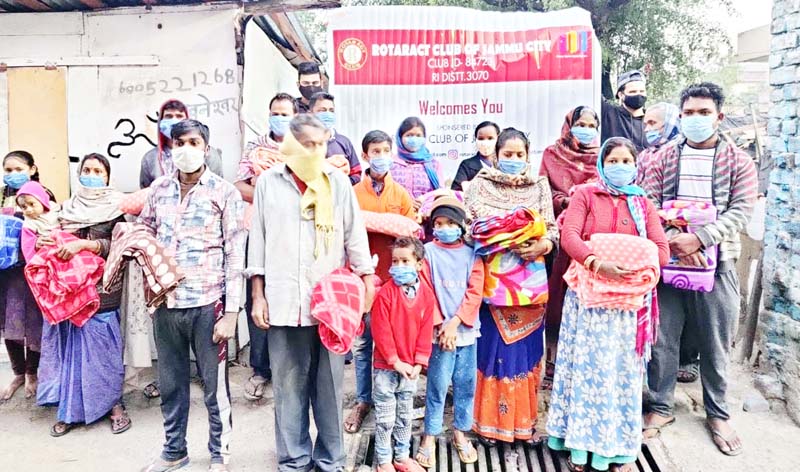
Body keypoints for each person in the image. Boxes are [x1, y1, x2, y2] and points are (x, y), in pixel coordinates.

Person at [247, 114, 375, 472]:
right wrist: (258, 296)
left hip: (331, 303)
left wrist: (366, 281)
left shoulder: (337, 182)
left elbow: (354, 236)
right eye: (307, 144)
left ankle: (331, 461)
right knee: (288, 390)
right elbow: (257, 242)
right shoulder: (268, 184)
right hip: (283, 300)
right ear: (291, 145)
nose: (315, 151)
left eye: (321, 144)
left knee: (330, 389)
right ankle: (293, 461)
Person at [642, 82, 757, 457]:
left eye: (703, 113)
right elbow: (649, 202)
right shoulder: (663, 158)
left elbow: (741, 210)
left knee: (715, 340)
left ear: (719, 117)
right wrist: (677, 238)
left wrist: (702, 239)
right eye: (689, 113)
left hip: (719, 262)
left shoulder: (739, 161)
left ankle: (718, 413)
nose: (695, 119)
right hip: (670, 259)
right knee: (662, 337)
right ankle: (660, 406)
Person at [545, 138, 669, 472]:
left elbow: (661, 247)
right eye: (613, 159)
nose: (620, 165)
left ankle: (613, 448)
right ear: (602, 163)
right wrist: (597, 262)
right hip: (587, 300)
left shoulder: (643, 203)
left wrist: (637, 268)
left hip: (627, 306)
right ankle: (580, 445)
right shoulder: (585, 194)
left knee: (619, 375)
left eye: (627, 159)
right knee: (587, 370)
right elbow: (569, 235)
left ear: (635, 165)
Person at [139, 119, 245, 472]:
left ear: (206, 149)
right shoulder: (157, 190)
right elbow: (146, 235)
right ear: (170, 149)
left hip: (208, 304)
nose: (185, 149)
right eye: (179, 142)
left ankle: (220, 453)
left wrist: (231, 313)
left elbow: (235, 253)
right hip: (167, 305)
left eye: (193, 142)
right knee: (171, 384)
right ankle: (174, 451)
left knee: (215, 388)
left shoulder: (224, 193)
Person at [464, 128, 558, 447]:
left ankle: (523, 424)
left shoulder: (540, 186)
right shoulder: (479, 186)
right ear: (496, 155)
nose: (514, 160)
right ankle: (488, 425)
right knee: (493, 352)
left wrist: (543, 244)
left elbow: (552, 227)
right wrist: (503, 234)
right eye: (508, 155)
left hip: (529, 288)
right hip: (493, 288)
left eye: (520, 155)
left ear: (528, 156)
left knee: (525, 353)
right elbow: (471, 228)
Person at [35, 153, 131, 437]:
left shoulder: (117, 207)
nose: (91, 174)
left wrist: (83, 246)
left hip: (102, 290)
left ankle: (114, 405)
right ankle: (71, 410)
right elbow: (55, 239)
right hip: (68, 290)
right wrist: (48, 240)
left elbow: (118, 244)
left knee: (103, 350)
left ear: (107, 177)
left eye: (98, 170)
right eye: (86, 169)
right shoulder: (67, 208)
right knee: (70, 350)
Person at [344, 130, 416, 434]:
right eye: (375, 150)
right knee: (363, 345)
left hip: (394, 280)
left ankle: (395, 400)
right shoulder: (351, 194)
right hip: (363, 281)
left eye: (386, 150)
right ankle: (363, 401)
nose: (381, 155)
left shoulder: (400, 194)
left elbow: (411, 234)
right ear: (364, 156)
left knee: (394, 345)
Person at [235, 92, 299, 402]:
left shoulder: (301, 147)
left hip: (291, 231)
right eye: (276, 113)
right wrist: (267, 191)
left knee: (286, 293)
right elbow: (239, 185)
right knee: (256, 297)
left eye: (285, 113)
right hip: (256, 228)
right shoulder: (254, 148)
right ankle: (260, 368)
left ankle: (287, 364)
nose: (280, 118)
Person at [415, 197, 484, 468]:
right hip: (439, 333)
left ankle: (460, 432)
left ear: (461, 225)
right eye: (438, 223)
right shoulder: (428, 252)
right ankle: (429, 435)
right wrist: (441, 324)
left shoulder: (473, 253)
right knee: (437, 385)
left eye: (450, 222)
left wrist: (455, 322)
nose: (444, 228)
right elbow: (426, 290)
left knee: (466, 384)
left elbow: (475, 290)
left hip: (466, 331)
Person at [539, 106, 600, 376]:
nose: (585, 130)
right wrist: (568, 201)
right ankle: (553, 364)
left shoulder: (602, 158)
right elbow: (542, 192)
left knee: (585, 301)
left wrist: (584, 202)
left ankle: (580, 365)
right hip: (557, 238)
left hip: (592, 240)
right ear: (569, 125)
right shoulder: (552, 155)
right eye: (581, 124)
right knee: (555, 302)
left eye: (591, 125)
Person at [370, 237, 434, 472]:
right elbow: (381, 330)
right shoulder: (386, 294)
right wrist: (394, 361)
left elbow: (426, 332)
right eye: (395, 261)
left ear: (419, 264)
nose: (399, 266)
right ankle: (384, 460)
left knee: (405, 416)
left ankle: (401, 456)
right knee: (385, 418)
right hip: (387, 368)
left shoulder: (426, 295)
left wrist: (419, 362)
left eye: (405, 261)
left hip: (410, 370)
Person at [0, 150, 52, 401]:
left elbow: (52, 227)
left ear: (32, 169)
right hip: (5, 273)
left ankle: (33, 372)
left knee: (33, 323)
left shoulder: (43, 196)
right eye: (7, 170)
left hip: (33, 271)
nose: (12, 175)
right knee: (9, 322)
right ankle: (18, 373)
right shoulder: (2, 198)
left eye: (18, 169)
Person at [139, 99, 224, 189]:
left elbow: (218, 187)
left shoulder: (209, 154)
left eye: (179, 116)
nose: (174, 121)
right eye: (168, 116)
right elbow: (146, 194)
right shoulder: (150, 158)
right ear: (160, 121)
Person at [309, 92, 362, 184]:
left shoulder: (344, 142)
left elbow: (357, 173)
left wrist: (342, 185)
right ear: (310, 114)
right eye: (322, 110)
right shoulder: (302, 143)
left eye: (331, 110)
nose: (328, 114)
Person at [391, 117, 442, 200]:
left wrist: (423, 200)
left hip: (425, 210)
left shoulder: (433, 164)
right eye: (409, 135)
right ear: (400, 138)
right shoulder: (391, 163)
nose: (414, 139)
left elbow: (440, 192)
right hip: (395, 210)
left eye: (418, 135)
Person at [601, 70, 648, 152]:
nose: (638, 94)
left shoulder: (652, 120)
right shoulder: (609, 113)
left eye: (642, 91)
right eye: (633, 92)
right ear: (621, 95)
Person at [637, 102, 681, 184]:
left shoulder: (683, 151)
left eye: (652, 123)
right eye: (646, 124)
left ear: (669, 124)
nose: (646, 129)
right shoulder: (645, 156)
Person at [451, 121, 500, 191]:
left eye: (490, 138)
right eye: (481, 138)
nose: (485, 142)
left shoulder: (503, 164)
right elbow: (456, 191)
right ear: (475, 139)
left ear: (498, 139)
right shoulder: (466, 165)